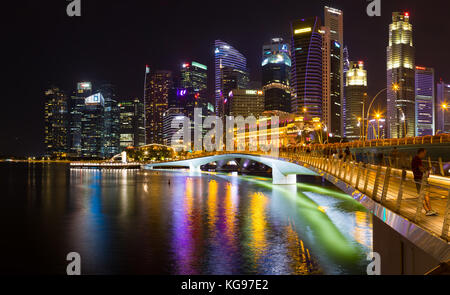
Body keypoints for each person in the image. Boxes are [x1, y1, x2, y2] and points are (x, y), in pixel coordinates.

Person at [411, 148, 437, 216]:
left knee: (425, 194)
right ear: (421, 152)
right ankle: (428, 210)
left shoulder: (415, 159)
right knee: (423, 195)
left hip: (420, 179)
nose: (424, 155)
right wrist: (428, 169)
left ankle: (429, 210)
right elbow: (421, 169)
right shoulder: (417, 159)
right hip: (420, 179)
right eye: (424, 153)